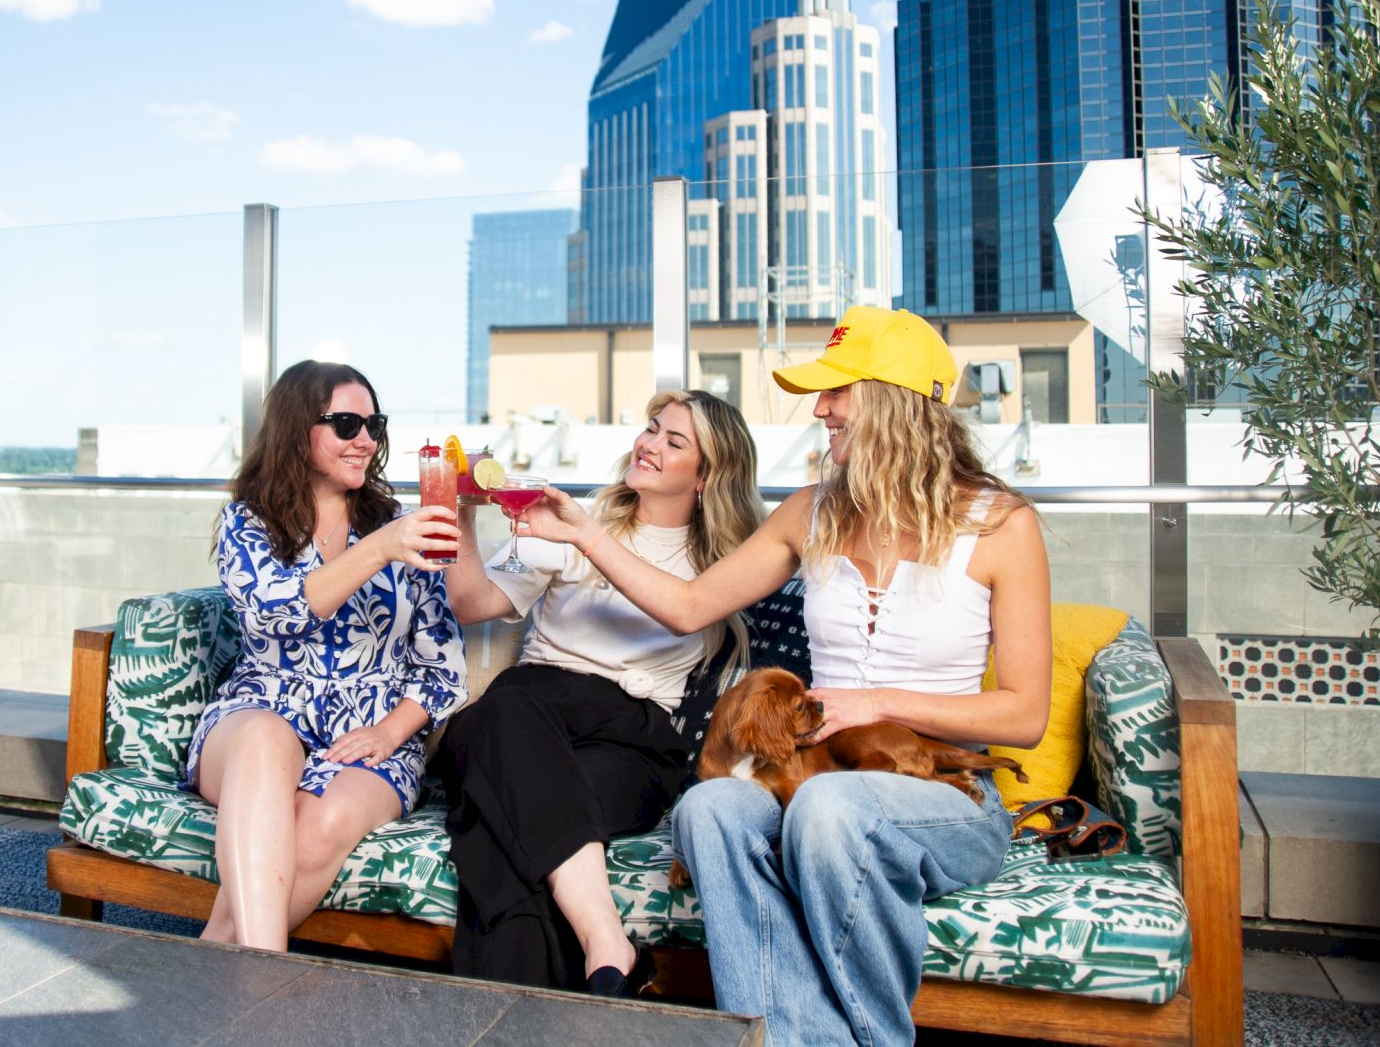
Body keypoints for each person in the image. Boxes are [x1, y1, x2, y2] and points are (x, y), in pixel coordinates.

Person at [518, 307, 1051, 1046]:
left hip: (943, 796)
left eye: (837, 390)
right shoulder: (812, 513)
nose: (821, 408)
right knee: (709, 811)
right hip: (814, 783)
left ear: (894, 403)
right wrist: (584, 532)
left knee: (830, 808)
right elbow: (690, 604)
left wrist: (876, 701)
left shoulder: (1001, 525)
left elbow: (1025, 714)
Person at [436, 389, 763, 995]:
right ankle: (607, 947)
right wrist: (460, 512)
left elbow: (682, 610)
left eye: (674, 440)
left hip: (632, 740)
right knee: (503, 716)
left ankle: (501, 1022)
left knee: (502, 825)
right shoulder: (579, 521)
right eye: (651, 428)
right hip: (529, 710)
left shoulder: (725, 561)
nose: (649, 443)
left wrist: (583, 536)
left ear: (706, 476)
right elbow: (471, 602)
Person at [186, 359, 466, 952]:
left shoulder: (400, 523)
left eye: (374, 425)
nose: (365, 440)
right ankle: (266, 971)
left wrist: (391, 733)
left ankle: (221, 962)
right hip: (257, 716)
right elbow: (274, 611)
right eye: (346, 424)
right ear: (296, 428)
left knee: (320, 824)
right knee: (265, 741)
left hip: (369, 732)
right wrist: (383, 549)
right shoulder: (248, 522)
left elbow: (442, 663)